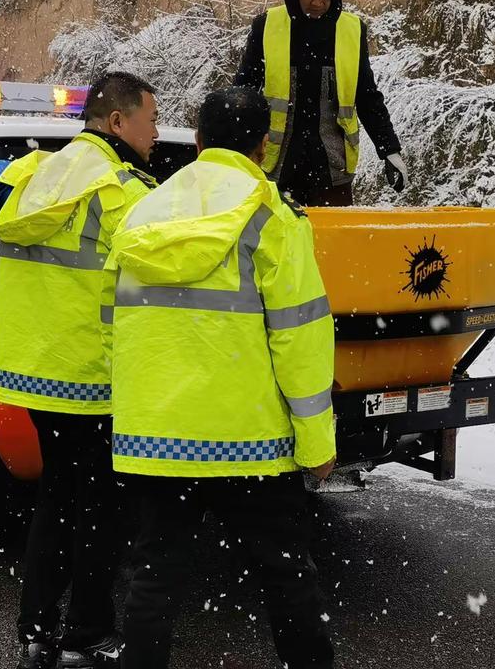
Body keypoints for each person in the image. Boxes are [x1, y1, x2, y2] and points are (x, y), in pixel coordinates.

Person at [102, 85, 337, 669]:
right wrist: (317, 444)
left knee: (154, 576)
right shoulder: (273, 218)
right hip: (249, 441)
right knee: (286, 577)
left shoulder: (143, 213)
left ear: (200, 141)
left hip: (158, 440)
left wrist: (139, 411)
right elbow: (301, 340)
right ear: (264, 148)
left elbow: (112, 327)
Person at [0, 71, 159, 669]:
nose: (156, 133)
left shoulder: (37, 173)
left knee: (56, 497)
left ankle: (35, 629)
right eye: (150, 120)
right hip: (93, 373)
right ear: (117, 122)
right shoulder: (121, 188)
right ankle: (87, 630)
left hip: (36, 371)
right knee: (103, 508)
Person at [233, 0, 405, 205]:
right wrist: (231, 149)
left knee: (331, 243)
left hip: (332, 170)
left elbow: (367, 97)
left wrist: (389, 150)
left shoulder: (351, 30)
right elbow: (243, 94)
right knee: (276, 242)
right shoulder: (267, 26)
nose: (317, 1)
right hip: (274, 169)